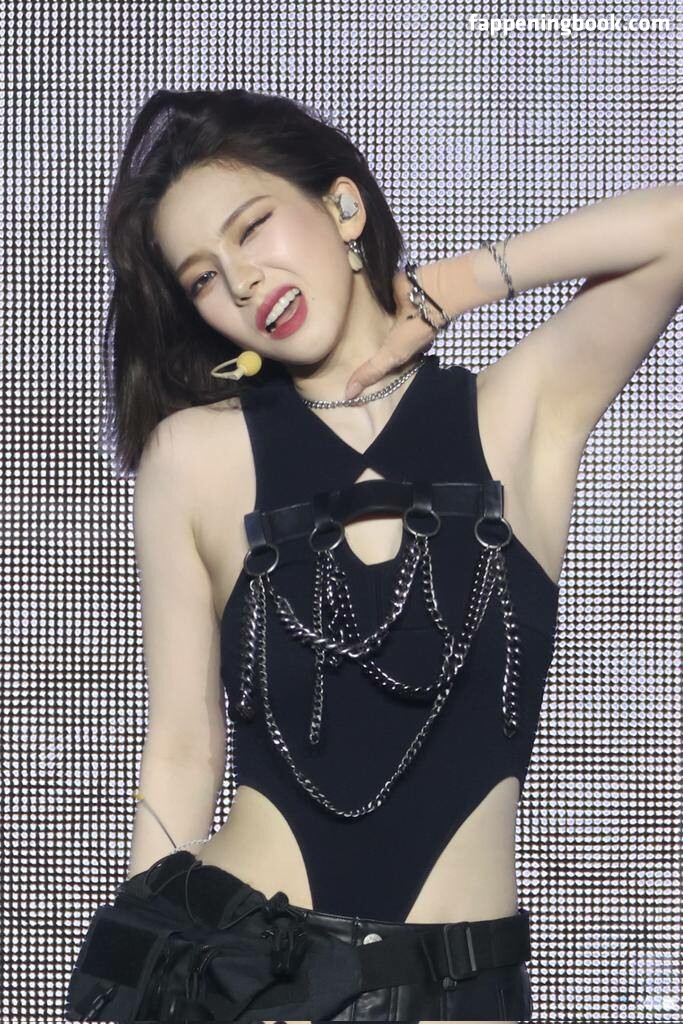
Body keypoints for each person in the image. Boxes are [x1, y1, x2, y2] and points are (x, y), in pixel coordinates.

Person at [65, 87, 683, 1023]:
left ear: (343, 206)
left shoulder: (515, 413)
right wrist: (134, 970)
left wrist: (458, 284)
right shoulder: (192, 455)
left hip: (468, 990)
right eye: (201, 277)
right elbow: (185, 742)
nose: (241, 280)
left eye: (253, 227)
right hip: (248, 978)